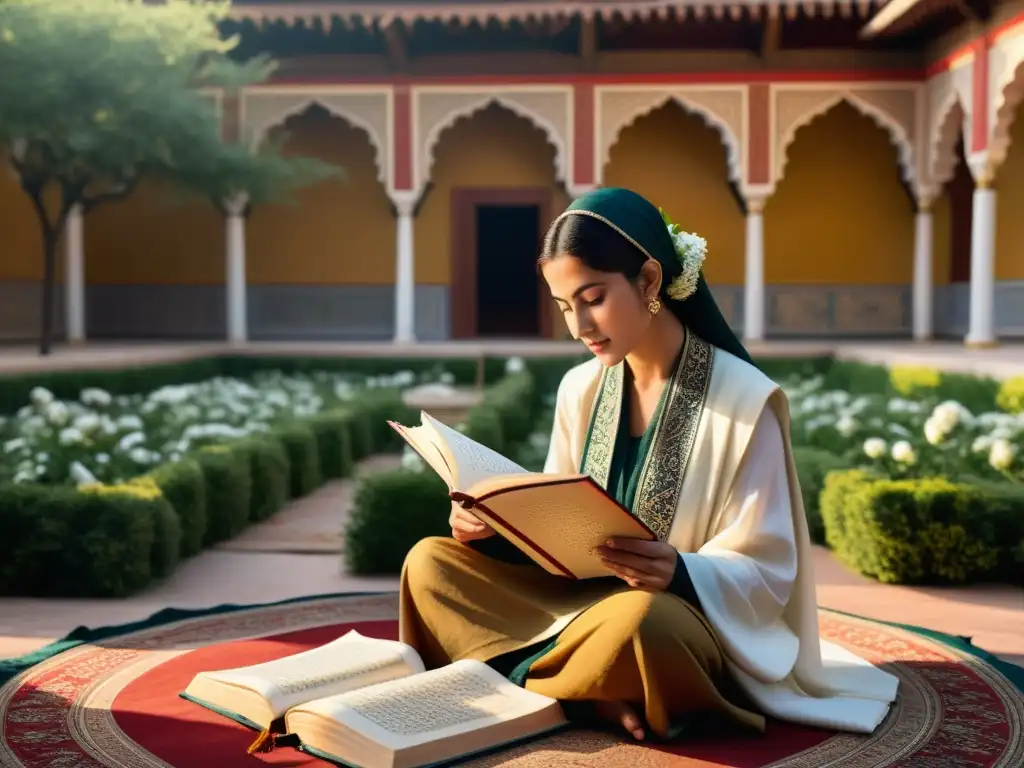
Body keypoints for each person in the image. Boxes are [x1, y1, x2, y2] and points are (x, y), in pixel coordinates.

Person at [398, 187, 899, 742]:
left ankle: (548, 686)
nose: (580, 326)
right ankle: (586, 692)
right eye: (565, 307)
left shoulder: (744, 401)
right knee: (429, 565)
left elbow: (769, 571)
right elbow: (555, 532)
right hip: (580, 609)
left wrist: (681, 571)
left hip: (676, 620)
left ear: (650, 282)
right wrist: (491, 530)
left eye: (593, 298)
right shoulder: (580, 388)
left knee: (642, 622)